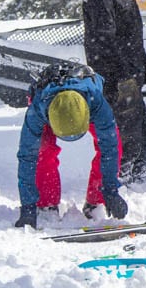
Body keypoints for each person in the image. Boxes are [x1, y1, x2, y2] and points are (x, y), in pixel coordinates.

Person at [14, 62, 128, 228]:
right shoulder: (37, 110)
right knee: (41, 152)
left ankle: (97, 202)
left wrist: (110, 190)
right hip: (48, 105)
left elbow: (109, 150)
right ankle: (45, 204)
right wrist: (28, 206)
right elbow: (27, 158)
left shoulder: (96, 102)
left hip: (84, 102)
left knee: (114, 145)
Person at [83, 0, 146, 185]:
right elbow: (106, 37)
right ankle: (123, 177)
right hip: (117, 75)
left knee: (139, 126)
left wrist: (142, 62)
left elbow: (130, 34)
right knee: (127, 130)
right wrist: (123, 72)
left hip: (128, 70)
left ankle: (138, 172)